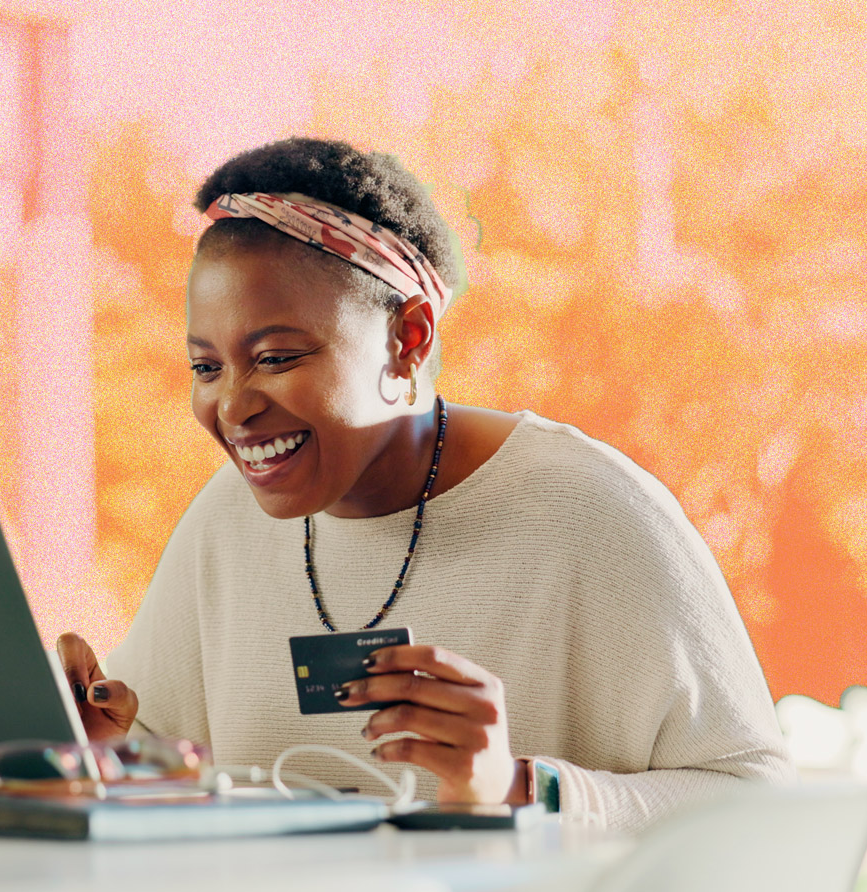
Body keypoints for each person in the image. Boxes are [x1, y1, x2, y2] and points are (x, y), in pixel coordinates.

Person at [56, 137, 794, 832]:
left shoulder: (594, 516)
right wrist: (102, 759)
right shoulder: (224, 521)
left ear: (407, 341)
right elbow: (174, 768)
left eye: (277, 357)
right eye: (206, 368)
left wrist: (520, 788)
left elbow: (761, 806)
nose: (233, 406)